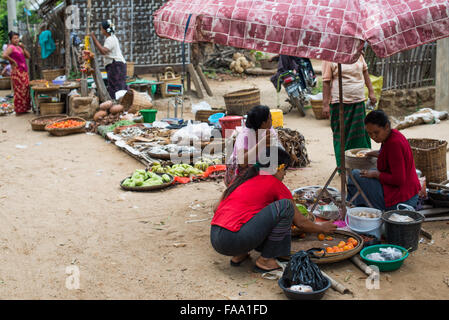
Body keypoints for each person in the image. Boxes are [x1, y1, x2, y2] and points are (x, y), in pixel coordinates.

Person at [211, 146, 337, 272]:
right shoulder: (274, 183)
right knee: (286, 206)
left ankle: (239, 254)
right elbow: (300, 222)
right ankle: (265, 260)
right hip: (234, 240)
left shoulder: (241, 179)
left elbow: (216, 208)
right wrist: (322, 228)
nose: (285, 175)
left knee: (253, 210)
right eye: (285, 170)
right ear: (278, 168)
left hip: (216, 237)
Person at [347, 110, 421, 211]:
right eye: (369, 134)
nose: (373, 137)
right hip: (407, 193)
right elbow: (388, 155)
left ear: (386, 127)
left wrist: (376, 174)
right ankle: (357, 204)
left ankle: (356, 206)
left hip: (403, 200)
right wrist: (373, 153)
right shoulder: (392, 135)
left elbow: (398, 179)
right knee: (360, 173)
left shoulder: (394, 143)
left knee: (355, 175)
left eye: (376, 133)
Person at [321, 54, 377, 169]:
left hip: (358, 102)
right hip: (339, 104)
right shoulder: (330, 56)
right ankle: (343, 166)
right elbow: (326, 82)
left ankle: (362, 164)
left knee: (360, 134)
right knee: (341, 135)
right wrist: (325, 105)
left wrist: (371, 92)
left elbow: (365, 73)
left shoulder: (358, 55)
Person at [224, 105, 279, 186]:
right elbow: (242, 162)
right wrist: (261, 144)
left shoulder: (269, 130)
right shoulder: (245, 135)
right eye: (270, 118)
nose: (272, 120)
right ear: (263, 123)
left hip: (258, 165)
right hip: (239, 172)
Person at [90, 20, 128, 99]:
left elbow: (104, 51)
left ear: (105, 30)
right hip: (116, 65)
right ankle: (119, 105)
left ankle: (118, 105)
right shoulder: (111, 38)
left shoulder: (110, 39)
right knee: (117, 86)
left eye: (101, 28)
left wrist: (94, 39)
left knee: (117, 87)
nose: (101, 30)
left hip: (116, 65)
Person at [2, 32, 31, 115]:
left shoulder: (19, 47)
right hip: (17, 72)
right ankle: (19, 110)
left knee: (25, 89)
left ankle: (25, 108)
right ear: (11, 39)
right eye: (14, 38)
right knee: (19, 90)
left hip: (24, 71)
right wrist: (13, 61)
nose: (16, 40)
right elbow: (4, 55)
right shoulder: (11, 47)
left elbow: (28, 56)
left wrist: (24, 48)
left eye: (17, 38)